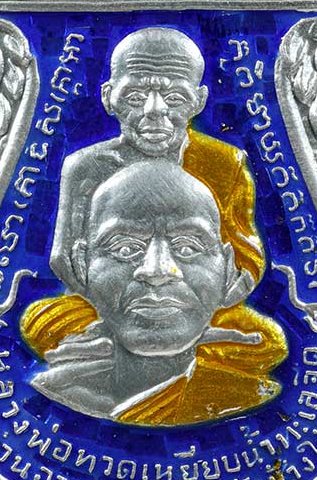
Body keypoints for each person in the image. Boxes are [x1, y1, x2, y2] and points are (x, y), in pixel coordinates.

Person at [21, 27, 287, 404]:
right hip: (106, 302)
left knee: (268, 341)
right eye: (135, 96)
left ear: (199, 100)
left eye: (174, 97)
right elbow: (64, 258)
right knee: (42, 323)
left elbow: (245, 257)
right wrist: (110, 312)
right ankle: (129, 349)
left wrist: (200, 311)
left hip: (200, 302)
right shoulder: (85, 167)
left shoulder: (224, 163)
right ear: (108, 97)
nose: (154, 111)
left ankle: (170, 359)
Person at [31, 162, 285, 424]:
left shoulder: (247, 395)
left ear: (229, 269)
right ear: (82, 265)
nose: (156, 270)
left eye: (188, 248)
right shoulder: (55, 390)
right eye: (125, 248)